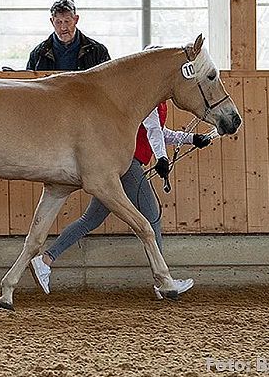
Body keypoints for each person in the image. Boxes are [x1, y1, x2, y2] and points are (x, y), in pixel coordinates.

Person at [30, 102, 212, 299]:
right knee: (152, 218)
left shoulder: (157, 103)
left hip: (120, 165)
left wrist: (191, 138)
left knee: (90, 220)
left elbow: (159, 132)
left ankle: (45, 259)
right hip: (129, 165)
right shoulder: (151, 102)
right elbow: (152, 131)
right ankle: (163, 281)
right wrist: (161, 158)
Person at [26, 0, 110, 71]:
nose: (63, 28)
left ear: (76, 19)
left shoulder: (98, 51)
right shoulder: (38, 54)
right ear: (52, 22)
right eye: (58, 22)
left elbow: (108, 83)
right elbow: (30, 86)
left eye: (67, 21)